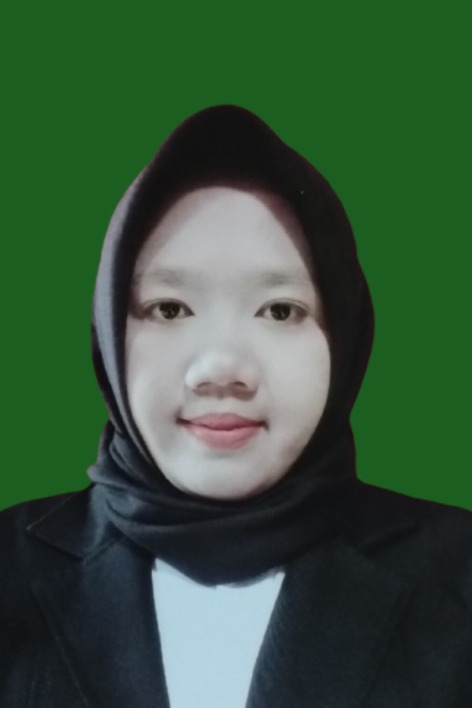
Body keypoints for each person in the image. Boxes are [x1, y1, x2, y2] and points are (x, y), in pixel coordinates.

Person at [1, 105, 471, 707]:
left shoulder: (458, 573)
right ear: (109, 334)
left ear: (345, 336)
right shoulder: (10, 569)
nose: (221, 368)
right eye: (169, 309)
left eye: (280, 310)